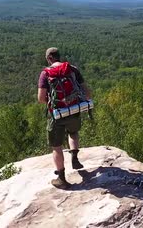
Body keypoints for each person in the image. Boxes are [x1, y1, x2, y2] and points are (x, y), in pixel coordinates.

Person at [37, 47, 91, 189]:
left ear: (49, 58)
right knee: (73, 132)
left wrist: (55, 101)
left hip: (57, 114)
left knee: (56, 146)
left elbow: (41, 98)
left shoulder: (46, 73)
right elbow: (87, 92)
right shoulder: (72, 69)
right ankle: (75, 158)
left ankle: (61, 179)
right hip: (74, 110)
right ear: (59, 57)